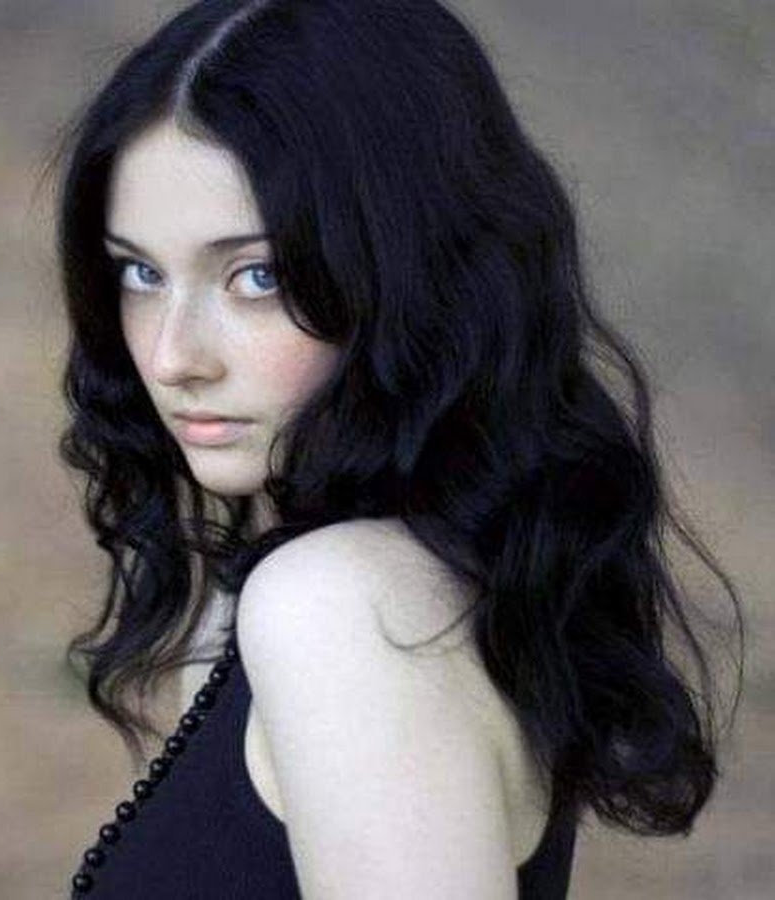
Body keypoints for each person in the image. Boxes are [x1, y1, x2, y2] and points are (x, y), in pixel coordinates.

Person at [47, 1, 744, 896]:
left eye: (257, 276)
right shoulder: (345, 590)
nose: (173, 356)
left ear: (408, 278)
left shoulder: (341, 611)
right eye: (141, 272)